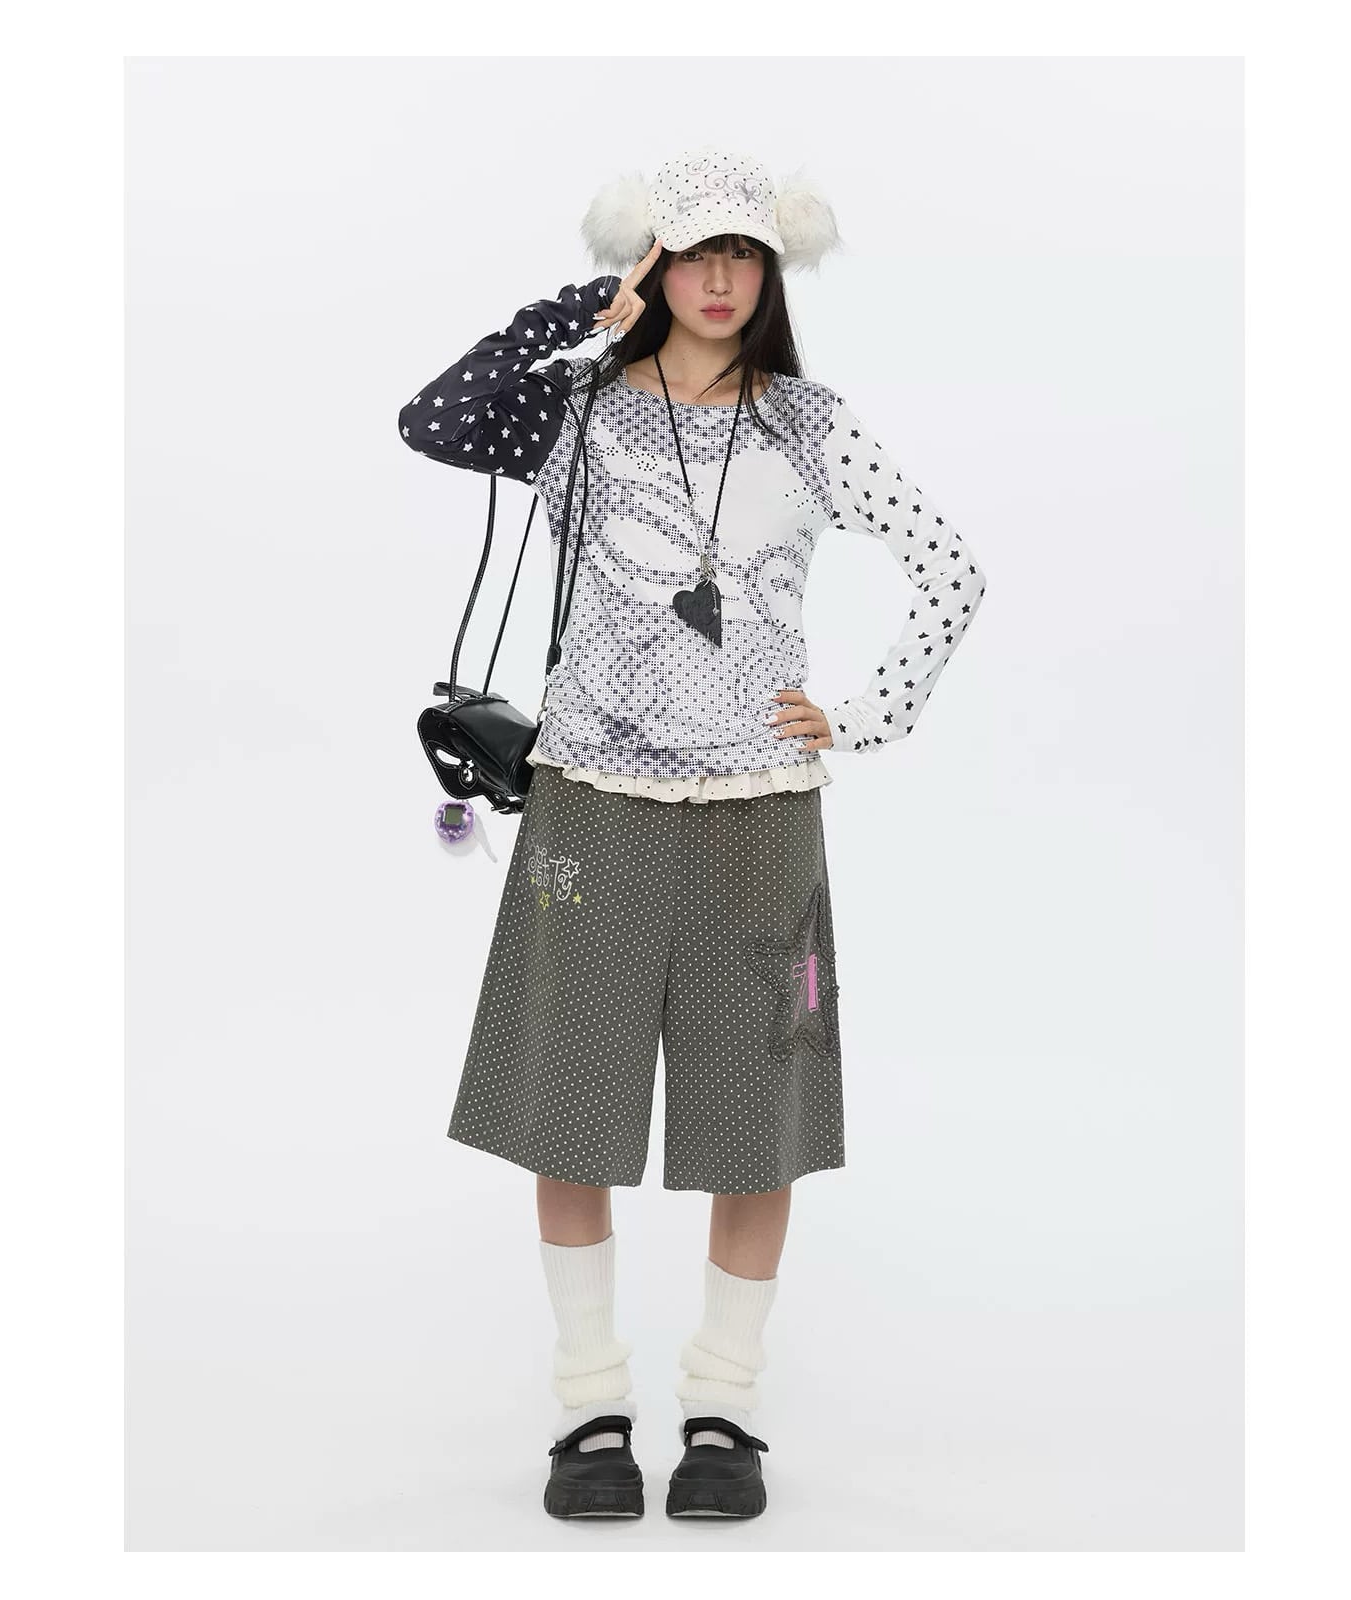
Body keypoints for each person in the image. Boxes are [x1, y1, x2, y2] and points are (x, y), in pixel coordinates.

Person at [397, 144, 987, 1520]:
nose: (721, 280)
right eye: (693, 253)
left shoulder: (811, 424)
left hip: (759, 814)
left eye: (745, 256)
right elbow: (432, 418)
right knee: (569, 1105)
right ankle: (589, 1408)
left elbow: (951, 572)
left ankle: (724, 1408)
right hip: (589, 804)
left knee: (754, 1113)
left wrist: (860, 716)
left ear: (772, 272)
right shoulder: (580, 412)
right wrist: (576, 314)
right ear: (651, 264)